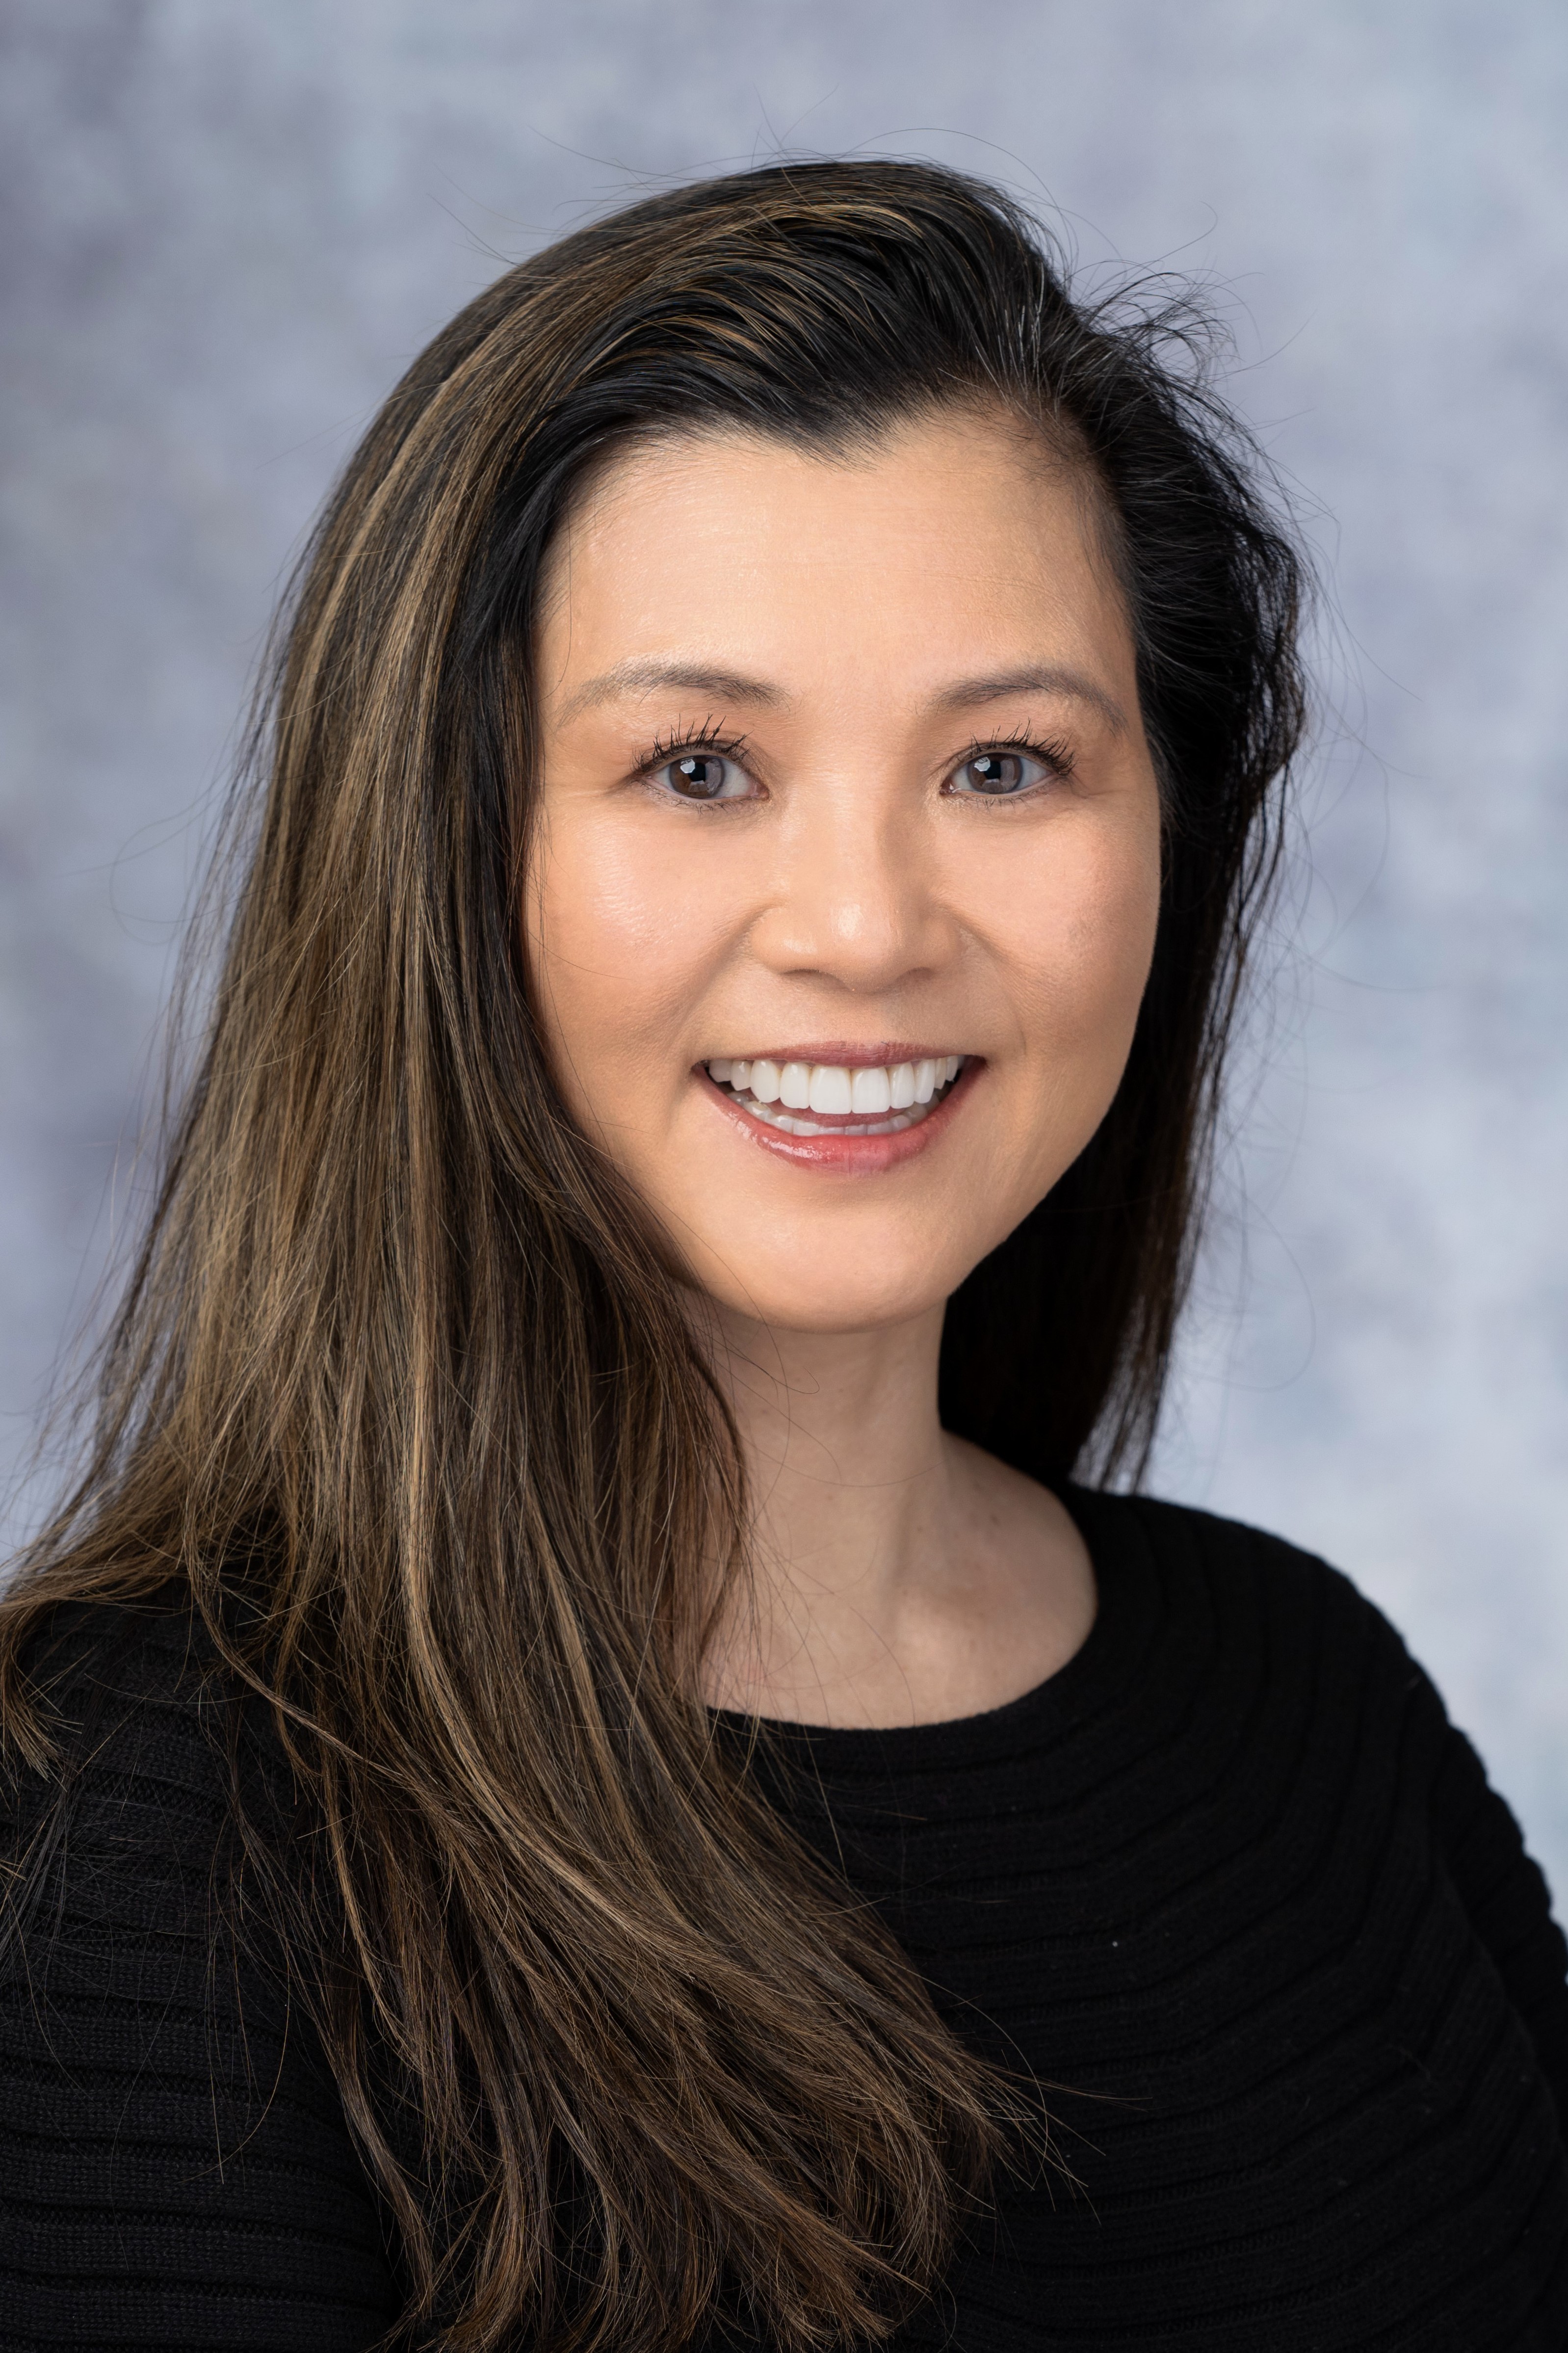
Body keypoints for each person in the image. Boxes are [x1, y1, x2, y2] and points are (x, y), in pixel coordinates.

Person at [0, 158, 1563, 2353]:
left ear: (1170, 848)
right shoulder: (121, 1852)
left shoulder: (1308, 1711)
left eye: (1006, 763)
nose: (863, 923)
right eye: (700, 764)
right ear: (452, 861)